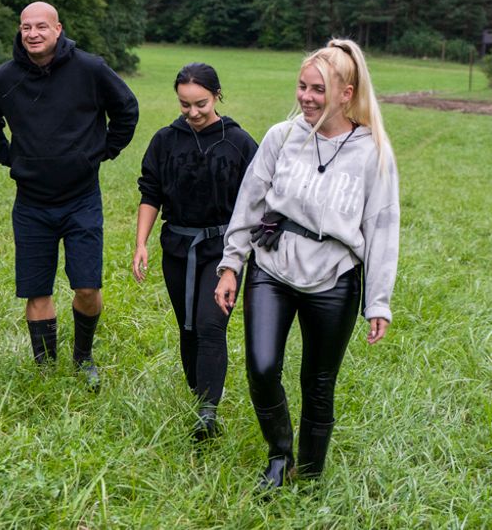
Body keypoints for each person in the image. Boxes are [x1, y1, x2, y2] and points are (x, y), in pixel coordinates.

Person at [213, 39, 400, 489]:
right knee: (260, 367)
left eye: (317, 89)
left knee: (318, 382)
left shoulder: (372, 152)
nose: (306, 97)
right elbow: (249, 201)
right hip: (272, 266)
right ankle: (280, 456)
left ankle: (311, 472)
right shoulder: (282, 136)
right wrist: (231, 264)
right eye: (302, 87)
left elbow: (383, 227)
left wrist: (378, 301)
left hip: (334, 276)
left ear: (346, 93)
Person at [0, 1, 139, 389]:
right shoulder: (5, 77)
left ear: (58, 29)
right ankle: (46, 370)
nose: (32, 34)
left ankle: (83, 356)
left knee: (87, 287)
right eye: (25, 27)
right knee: (37, 290)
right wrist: (12, 157)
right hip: (31, 202)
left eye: (41, 27)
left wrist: (101, 152)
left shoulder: (90, 68)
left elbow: (127, 110)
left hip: (81, 198)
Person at [132, 63, 257, 439]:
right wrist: (141, 242)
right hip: (177, 247)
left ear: (217, 95)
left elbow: (254, 203)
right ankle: (197, 393)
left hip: (223, 249)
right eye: (185, 105)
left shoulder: (239, 142)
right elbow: (150, 192)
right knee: (187, 325)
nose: (193, 112)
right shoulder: (165, 140)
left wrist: (242, 255)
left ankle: (208, 412)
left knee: (209, 324)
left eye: (200, 103)